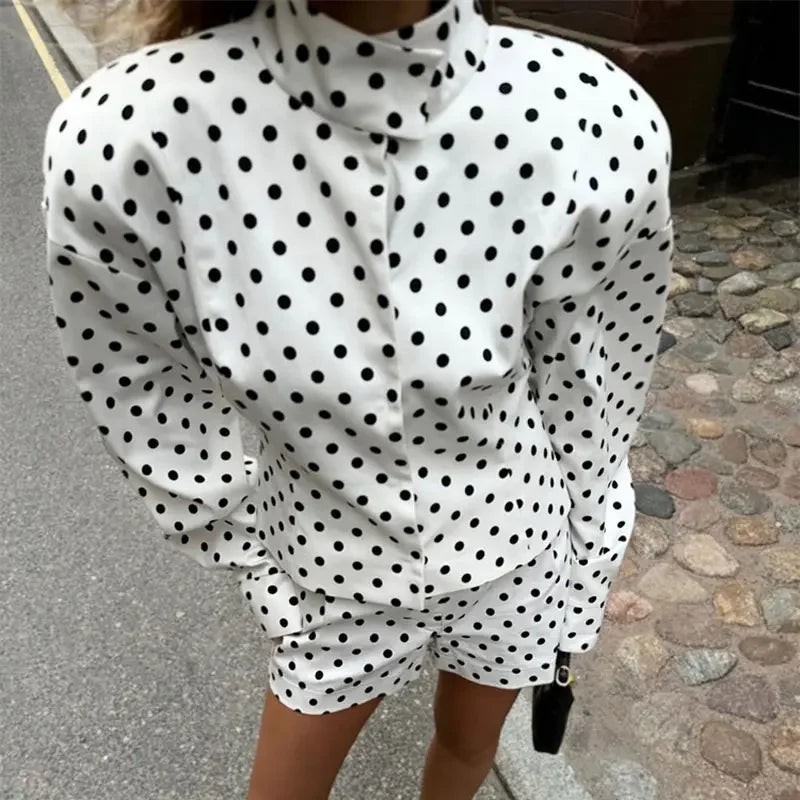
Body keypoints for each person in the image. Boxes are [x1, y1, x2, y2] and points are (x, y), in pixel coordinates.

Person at [42, 1, 673, 798]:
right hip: (329, 577)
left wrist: (582, 577)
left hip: (520, 550)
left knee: (470, 749)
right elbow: (145, 397)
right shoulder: (130, 138)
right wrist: (264, 568)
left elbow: (595, 387)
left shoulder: (590, 115)